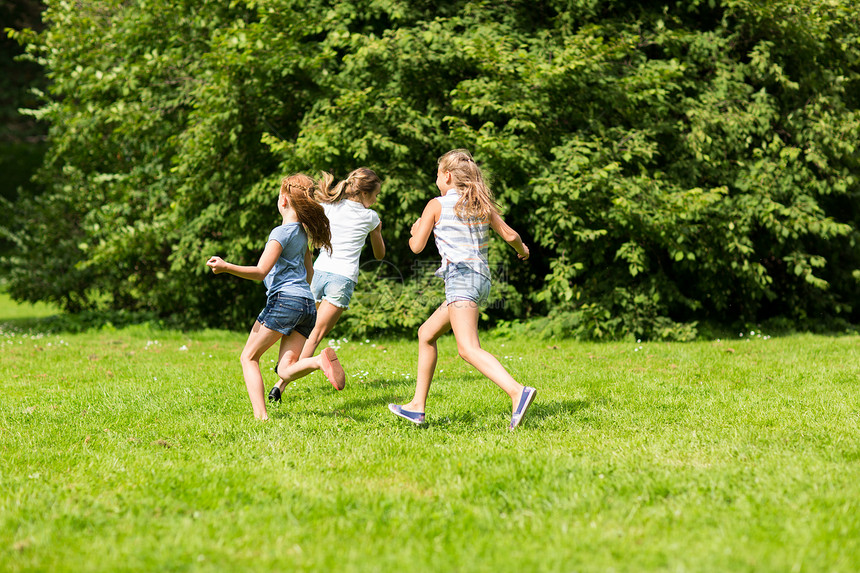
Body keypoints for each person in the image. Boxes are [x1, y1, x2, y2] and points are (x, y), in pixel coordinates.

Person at [388, 149, 536, 430]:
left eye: (437, 175)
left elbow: (417, 247)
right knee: (426, 334)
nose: (436, 180)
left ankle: (518, 391)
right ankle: (417, 407)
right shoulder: (480, 204)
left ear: (447, 175)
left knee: (468, 349)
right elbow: (511, 235)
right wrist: (523, 250)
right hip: (481, 280)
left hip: (461, 278)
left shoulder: (436, 205)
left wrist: (417, 229)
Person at [206, 174, 346, 421]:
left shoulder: (280, 233)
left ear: (283, 201)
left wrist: (226, 266)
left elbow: (261, 272)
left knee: (248, 357)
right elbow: (309, 272)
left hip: (285, 302)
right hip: (306, 304)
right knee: (285, 369)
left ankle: (261, 417)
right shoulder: (303, 235)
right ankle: (318, 362)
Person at [267, 168, 385, 404]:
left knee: (301, 328)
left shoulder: (329, 207)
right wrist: (377, 231)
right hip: (342, 279)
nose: (375, 200)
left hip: (318, 272)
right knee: (315, 334)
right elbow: (380, 254)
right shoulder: (371, 217)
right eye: (376, 195)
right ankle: (281, 383)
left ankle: (284, 371)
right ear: (366, 194)